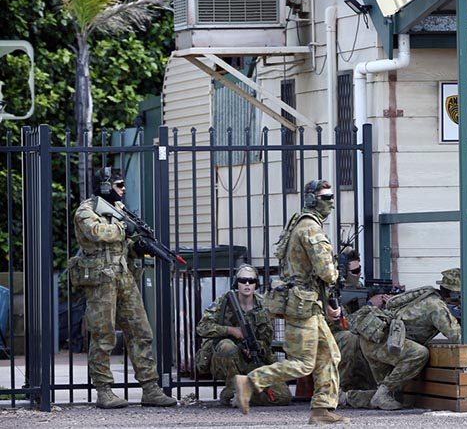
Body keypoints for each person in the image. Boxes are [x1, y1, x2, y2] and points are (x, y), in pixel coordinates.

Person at [233, 179, 348, 424]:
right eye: (326, 197)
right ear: (312, 200)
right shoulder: (310, 229)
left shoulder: (299, 223)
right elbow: (327, 272)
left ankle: (322, 410)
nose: (330, 202)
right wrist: (338, 274)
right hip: (303, 305)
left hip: (308, 303)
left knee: (329, 354)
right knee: (303, 363)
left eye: (331, 197)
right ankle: (251, 381)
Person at [73, 168, 176, 408]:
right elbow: (98, 233)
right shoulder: (86, 210)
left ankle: (150, 388)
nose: (124, 189)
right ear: (106, 187)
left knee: (141, 331)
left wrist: (137, 245)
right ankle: (104, 391)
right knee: (103, 335)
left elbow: (125, 241)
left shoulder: (119, 209)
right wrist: (123, 229)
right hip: (100, 279)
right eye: (119, 185)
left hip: (123, 276)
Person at [341, 268, 467, 410]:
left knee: (393, 396)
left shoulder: (428, 295)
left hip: (375, 339)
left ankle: (346, 398)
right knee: (420, 353)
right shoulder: (437, 307)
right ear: (456, 294)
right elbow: (461, 338)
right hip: (384, 343)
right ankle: (382, 394)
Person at [196, 264, 292, 407]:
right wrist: (230, 330)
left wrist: (257, 347)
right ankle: (234, 387)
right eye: (243, 280)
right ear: (237, 283)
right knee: (227, 346)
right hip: (224, 359)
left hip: (252, 359)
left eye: (251, 281)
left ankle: (235, 394)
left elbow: (267, 341)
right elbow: (202, 328)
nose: (247, 284)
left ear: (256, 284)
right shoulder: (224, 302)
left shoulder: (263, 305)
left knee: (282, 396)